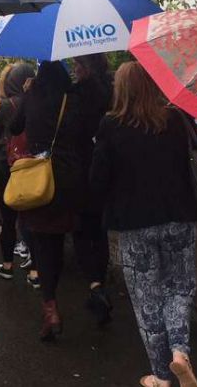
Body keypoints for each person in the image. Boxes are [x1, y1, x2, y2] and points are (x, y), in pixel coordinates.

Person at [89, 61, 197, 387]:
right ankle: (180, 353)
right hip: (179, 217)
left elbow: (97, 181)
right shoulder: (178, 118)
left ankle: (162, 376)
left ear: (120, 89)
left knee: (147, 300)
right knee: (180, 289)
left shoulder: (111, 125)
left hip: (134, 223)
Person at [9, 60, 82, 342]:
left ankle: (50, 306)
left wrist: (29, 93)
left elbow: (15, 127)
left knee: (41, 242)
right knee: (59, 239)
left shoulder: (32, 95)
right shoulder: (72, 99)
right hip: (68, 177)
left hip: (40, 177)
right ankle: (69, 289)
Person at [71, 53, 115, 325]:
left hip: (80, 169)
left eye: (77, 65)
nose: (74, 69)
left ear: (86, 67)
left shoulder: (77, 94)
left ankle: (95, 285)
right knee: (100, 231)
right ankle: (101, 282)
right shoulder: (112, 90)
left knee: (80, 231)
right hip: (106, 169)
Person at [0, 63, 38, 285]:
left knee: (8, 217)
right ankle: (36, 270)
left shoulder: (7, 105)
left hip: (8, 167)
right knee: (33, 217)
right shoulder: (40, 102)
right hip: (35, 166)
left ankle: (7, 265)